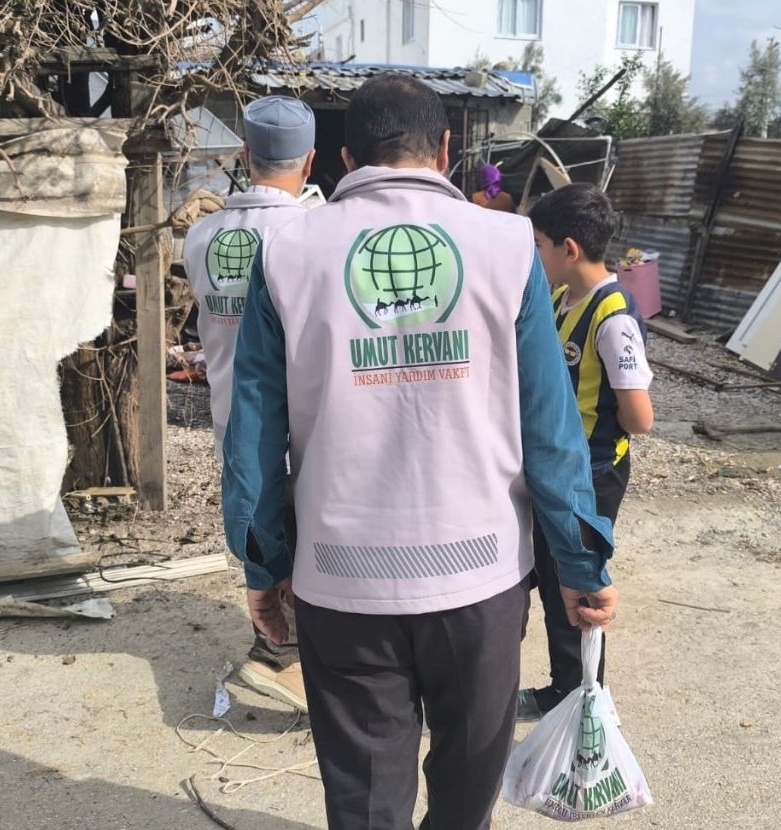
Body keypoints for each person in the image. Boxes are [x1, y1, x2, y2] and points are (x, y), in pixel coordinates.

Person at [221, 73, 620, 830]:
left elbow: (254, 438)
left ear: (341, 157)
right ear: (444, 148)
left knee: (366, 795)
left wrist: (264, 567)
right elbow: (551, 426)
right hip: (481, 576)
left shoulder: (285, 253)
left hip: (341, 581)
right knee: (468, 781)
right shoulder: (507, 245)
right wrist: (580, 565)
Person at [183, 95, 316, 712]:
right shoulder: (309, 234)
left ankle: (272, 647)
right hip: (300, 416)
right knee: (306, 529)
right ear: (309, 162)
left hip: (231, 410)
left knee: (259, 524)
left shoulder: (201, 237)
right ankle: (297, 655)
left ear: (244, 155)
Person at [518, 182, 655, 719]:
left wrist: (595, 428)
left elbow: (639, 418)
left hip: (593, 474)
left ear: (568, 249)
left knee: (573, 583)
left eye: (538, 246)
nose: (535, 257)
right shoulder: (557, 298)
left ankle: (582, 698)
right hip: (557, 468)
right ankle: (566, 687)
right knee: (550, 578)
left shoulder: (613, 316)